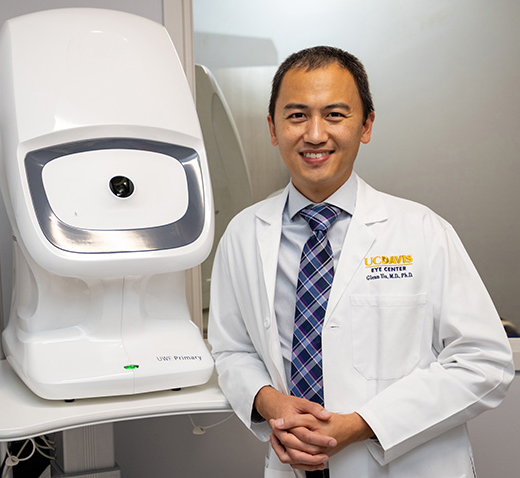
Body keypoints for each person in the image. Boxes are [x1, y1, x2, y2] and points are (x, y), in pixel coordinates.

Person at [207, 46, 514, 478]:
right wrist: (267, 399)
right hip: (294, 466)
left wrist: (364, 425)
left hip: (410, 466)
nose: (315, 134)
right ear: (273, 128)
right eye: (296, 115)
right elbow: (231, 348)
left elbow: (485, 361)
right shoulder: (242, 234)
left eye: (335, 115)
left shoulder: (423, 231)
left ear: (366, 125)